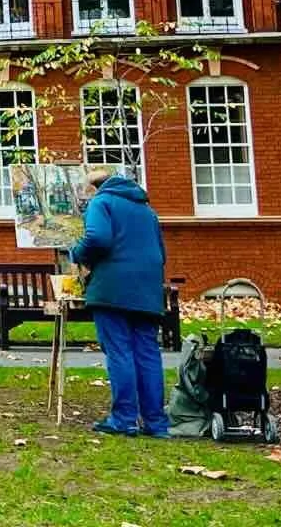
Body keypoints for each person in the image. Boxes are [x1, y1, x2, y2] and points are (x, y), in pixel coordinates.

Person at [70, 166, 171, 437]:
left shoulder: (101, 202)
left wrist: (76, 253)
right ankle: (156, 423)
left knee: (120, 351)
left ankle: (124, 419)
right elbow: (161, 252)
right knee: (148, 354)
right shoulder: (147, 211)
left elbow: (97, 239)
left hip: (113, 289)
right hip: (147, 289)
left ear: (94, 188)